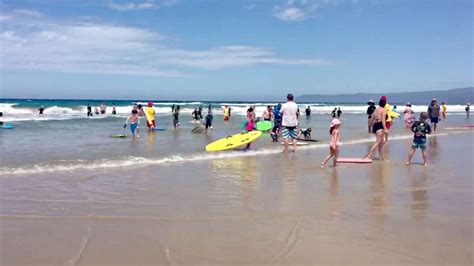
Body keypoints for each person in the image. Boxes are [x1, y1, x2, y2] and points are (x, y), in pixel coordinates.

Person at [364, 96, 389, 161]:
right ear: (385, 103)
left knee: (381, 144)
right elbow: (383, 120)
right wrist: (385, 128)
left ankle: (382, 158)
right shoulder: (384, 110)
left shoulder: (376, 109)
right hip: (380, 125)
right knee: (377, 142)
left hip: (375, 125)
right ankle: (367, 156)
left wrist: (372, 127)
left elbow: (372, 119)